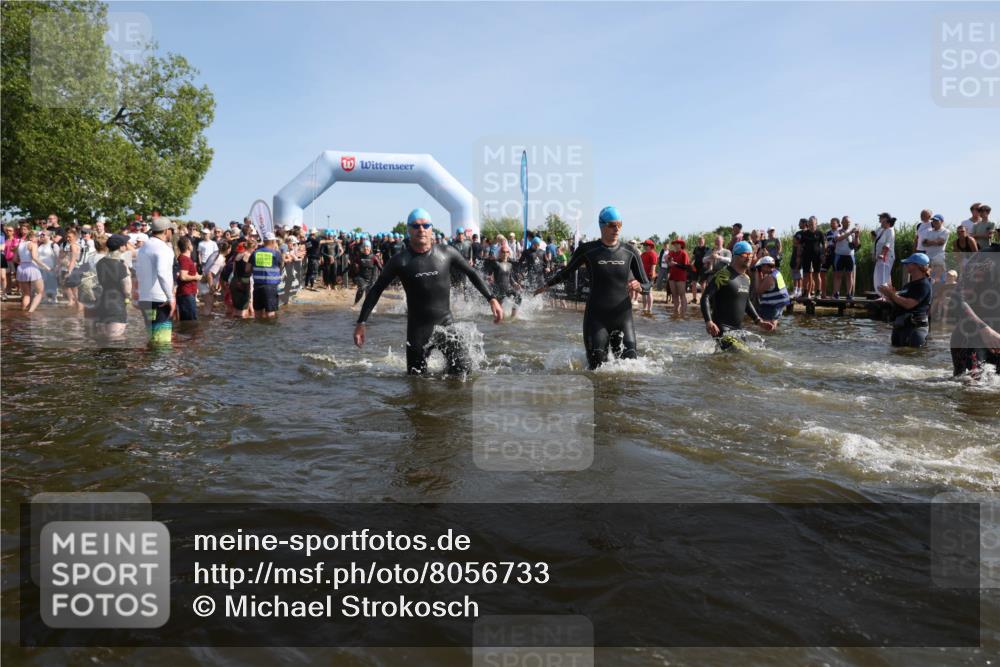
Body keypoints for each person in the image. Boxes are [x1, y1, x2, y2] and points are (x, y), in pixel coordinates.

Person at [354, 209, 503, 376]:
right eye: (416, 226)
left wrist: (491, 299)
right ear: (409, 230)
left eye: (425, 225)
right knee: (416, 381)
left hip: (446, 326)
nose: (421, 229)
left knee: (464, 374)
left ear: (431, 228)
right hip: (417, 331)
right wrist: (361, 323)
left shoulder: (446, 252)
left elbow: (472, 273)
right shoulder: (400, 261)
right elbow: (376, 290)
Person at [534, 206, 649, 369]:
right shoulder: (588, 250)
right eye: (612, 225)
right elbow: (567, 271)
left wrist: (640, 286)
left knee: (631, 366)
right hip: (596, 319)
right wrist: (546, 285)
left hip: (623, 318)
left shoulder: (630, 252)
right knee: (596, 368)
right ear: (602, 226)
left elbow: (647, 284)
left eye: (619, 224)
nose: (617, 229)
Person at [701, 241, 775, 350]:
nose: (749, 257)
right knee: (739, 352)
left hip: (738, 330)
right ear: (735, 256)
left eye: (751, 255)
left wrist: (759, 321)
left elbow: (746, 301)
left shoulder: (746, 278)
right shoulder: (723, 275)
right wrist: (709, 321)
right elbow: (705, 297)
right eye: (745, 254)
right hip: (721, 328)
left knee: (746, 354)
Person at [949, 225, 1000, 378]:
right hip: (974, 336)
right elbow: (957, 298)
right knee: (973, 390)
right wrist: (985, 330)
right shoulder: (985, 259)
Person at [135, 217, 176, 344]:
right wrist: (171, 298)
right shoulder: (163, 248)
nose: (173, 233)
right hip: (160, 300)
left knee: (152, 337)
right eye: (172, 231)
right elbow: (162, 273)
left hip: (145, 299)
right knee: (162, 342)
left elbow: (137, 272)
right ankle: (160, 358)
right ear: (166, 230)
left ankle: (151, 357)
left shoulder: (143, 248)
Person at [878, 253, 932, 348]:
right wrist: (888, 296)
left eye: (908, 263)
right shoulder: (908, 285)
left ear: (917, 266)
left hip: (915, 329)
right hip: (900, 326)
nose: (906, 265)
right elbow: (899, 303)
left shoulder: (923, 284)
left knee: (912, 355)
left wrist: (892, 294)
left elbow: (908, 304)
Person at [89, 234, 131, 340]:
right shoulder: (120, 265)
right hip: (116, 305)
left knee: (102, 341)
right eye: (125, 244)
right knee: (116, 341)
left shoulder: (100, 262)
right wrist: (128, 297)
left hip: (102, 303)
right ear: (121, 247)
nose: (126, 246)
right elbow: (127, 289)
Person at [483, 242, 523, 318]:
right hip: (498, 289)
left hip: (508, 289)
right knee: (499, 312)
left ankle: (513, 316)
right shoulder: (496, 263)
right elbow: (488, 273)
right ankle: (496, 318)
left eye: (507, 252)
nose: (505, 254)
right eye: (503, 252)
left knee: (519, 297)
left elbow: (510, 277)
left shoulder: (510, 265)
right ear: (500, 253)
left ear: (509, 254)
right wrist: (488, 277)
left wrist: (515, 283)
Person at [251, 233, 283, 319]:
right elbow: (281, 265)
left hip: (257, 286)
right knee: (270, 314)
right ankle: (270, 327)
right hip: (270, 286)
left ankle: (258, 327)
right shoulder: (276, 253)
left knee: (257, 314)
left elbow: (247, 269)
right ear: (273, 241)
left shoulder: (255, 253)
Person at [16, 229, 47, 313]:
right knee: (40, 292)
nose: (38, 238)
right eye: (37, 236)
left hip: (21, 268)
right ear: (31, 237)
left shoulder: (20, 244)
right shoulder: (33, 244)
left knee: (26, 294)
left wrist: (23, 263)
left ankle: (23, 313)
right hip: (31, 267)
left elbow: (15, 259)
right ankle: (30, 311)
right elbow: (34, 257)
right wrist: (45, 266)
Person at [753, 256, 790, 325]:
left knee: (767, 326)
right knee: (773, 323)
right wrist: (760, 274)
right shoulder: (777, 273)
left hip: (772, 305)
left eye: (761, 266)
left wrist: (756, 274)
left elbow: (758, 291)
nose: (760, 269)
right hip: (779, 304)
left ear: (766, 266)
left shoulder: (770, 278)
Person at [831, 217, 860, 300]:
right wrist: (850, 232)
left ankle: (848, 294)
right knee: (838, 275)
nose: (848, 224)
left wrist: (857, 236)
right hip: (839, 255)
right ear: (842, 222)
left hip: (850, 255)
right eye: (846, 222)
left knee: (849, 275)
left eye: (849, 222)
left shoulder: (853, 232)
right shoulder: (838, 231)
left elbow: (856, 244)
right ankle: (836, 293)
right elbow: (838, 239)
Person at [798, 216, 825, 300]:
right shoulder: (804, 233)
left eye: (812, 223)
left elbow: (824, 244)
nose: (810, 224)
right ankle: (805, 292)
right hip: (806, 256)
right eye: (809, 223)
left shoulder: (820, 233)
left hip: (817, 256)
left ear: (816, 223)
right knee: (806, 274)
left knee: (817, 274)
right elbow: (800, 245)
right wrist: (799, 256)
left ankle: (818, 292)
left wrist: (823, 255)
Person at [174, 237, 201, 321]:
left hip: (187, 293)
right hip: (186, 294)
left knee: (187, 320)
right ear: (188, 247)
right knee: (190, 321)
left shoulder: (183, 258)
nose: (192, 246)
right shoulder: (184, 259)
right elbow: (183, 276)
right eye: (191, 244)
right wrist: (196, 277)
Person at [352, 239, 383, 305]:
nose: (366, 248)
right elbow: (353, 265)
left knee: (369, 293)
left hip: (371, 277)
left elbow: (380, 268)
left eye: (367, 247)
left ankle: (367, 306)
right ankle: (355, 304)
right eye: (365, 247)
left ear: (370, 248)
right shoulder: (359, 257)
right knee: (362, 288)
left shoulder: (374, 257)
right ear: (362, 248)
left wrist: (386, 275)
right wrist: (355, 266)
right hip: (361, 277)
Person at [873, 213, 896, 298]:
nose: (881, 223)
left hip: (886, 257)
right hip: (880, 257)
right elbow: (876, 242)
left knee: (883, 277)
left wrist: (882, 254)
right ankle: (885, 296)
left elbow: (887, 244)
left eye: (882, 222)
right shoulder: (882, 230)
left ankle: (883, 296)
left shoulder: (890, 230)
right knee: (880, 276)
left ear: (887, 222)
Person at [666, 239, 690, 319]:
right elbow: (667, 261)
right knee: (674, 295)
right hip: (672, 275)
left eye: (677, 244)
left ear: (681, 245)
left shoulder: (684, 253)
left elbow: (686, 267)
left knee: (682, 295)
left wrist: (676, 264)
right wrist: (668, 262)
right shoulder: (672, 253)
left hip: (681, 276)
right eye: (675, 244)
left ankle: (683, 314)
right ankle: (676, 313)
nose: (675, 245)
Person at [640, 239, 657, 316]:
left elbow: (654, 265)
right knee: (644, 293)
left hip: (650, 276)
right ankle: (644, 308)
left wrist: (652, 275)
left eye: (646, 245)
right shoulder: (643, 254)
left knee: (649, 292)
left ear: (650, 246)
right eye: (644, 245)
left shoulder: (653, 254)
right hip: (643, 275)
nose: (644, 246)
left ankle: (649, 309)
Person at [691, 236, 709, 305]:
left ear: (704, 241)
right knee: (693, 283)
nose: (700, 242)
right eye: (699, 241)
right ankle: (694, 299)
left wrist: (707, 264)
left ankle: (703, 299)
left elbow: (710, 257)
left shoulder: (707, 249)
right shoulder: (696, 248)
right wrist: (690, 263)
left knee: (702, 283)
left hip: (703, 267)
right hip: (696, 267)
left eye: (701, 241)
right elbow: (693, 256)